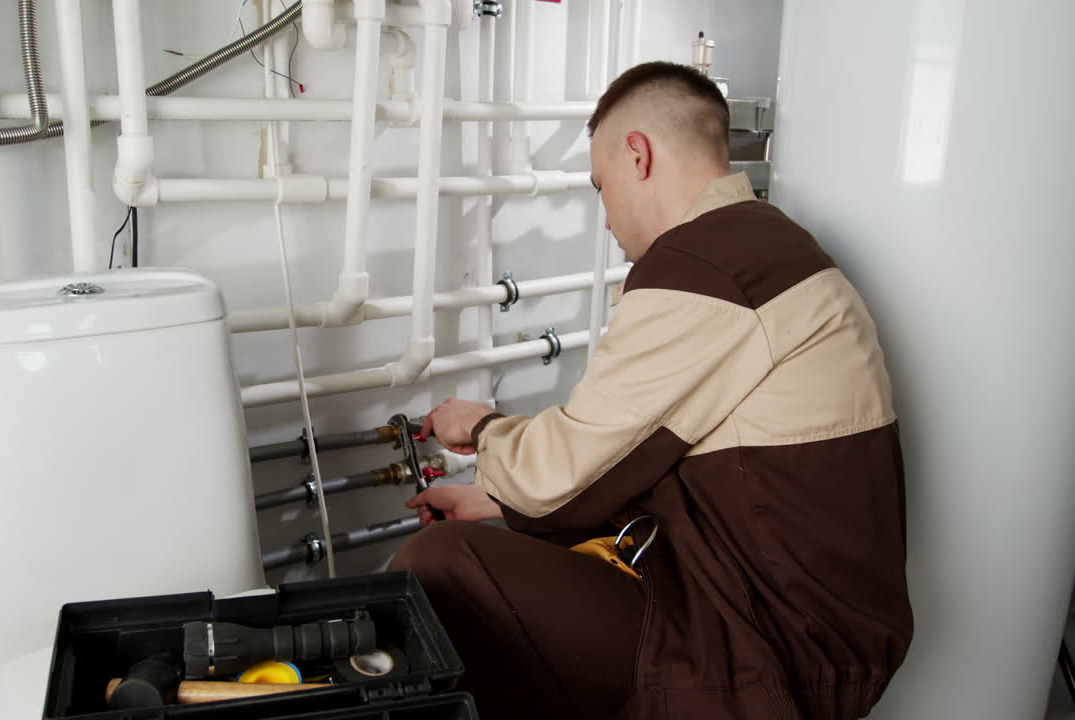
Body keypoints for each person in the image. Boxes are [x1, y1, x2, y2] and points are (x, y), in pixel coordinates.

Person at [389, 61, 913, 720]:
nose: (605, 218)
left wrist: (484, 429)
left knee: (439, 567)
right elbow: (644, 462)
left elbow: (568, 473)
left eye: (601, 188)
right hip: (787, 615)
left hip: (770, 645)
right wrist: (491, 500)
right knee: (494, 560)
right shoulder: (771, 248)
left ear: (639, 155)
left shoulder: (709, 264)